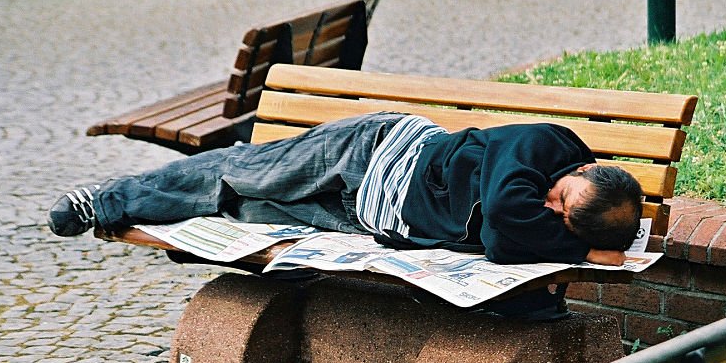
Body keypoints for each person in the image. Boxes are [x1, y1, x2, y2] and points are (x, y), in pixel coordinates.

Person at [49, 112, 642, 266]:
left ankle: (144, 206)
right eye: (559, 195)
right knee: (240, 171)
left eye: (560, 217)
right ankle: (106, 202)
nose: (546, 203)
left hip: (365, 217)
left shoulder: (550, 202)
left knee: (246, 207)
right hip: (372, 151)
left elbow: (499, 240)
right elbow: (509, 218)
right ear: (585, 169)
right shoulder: (547, 145)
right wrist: (578, 249)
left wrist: (551, 235)